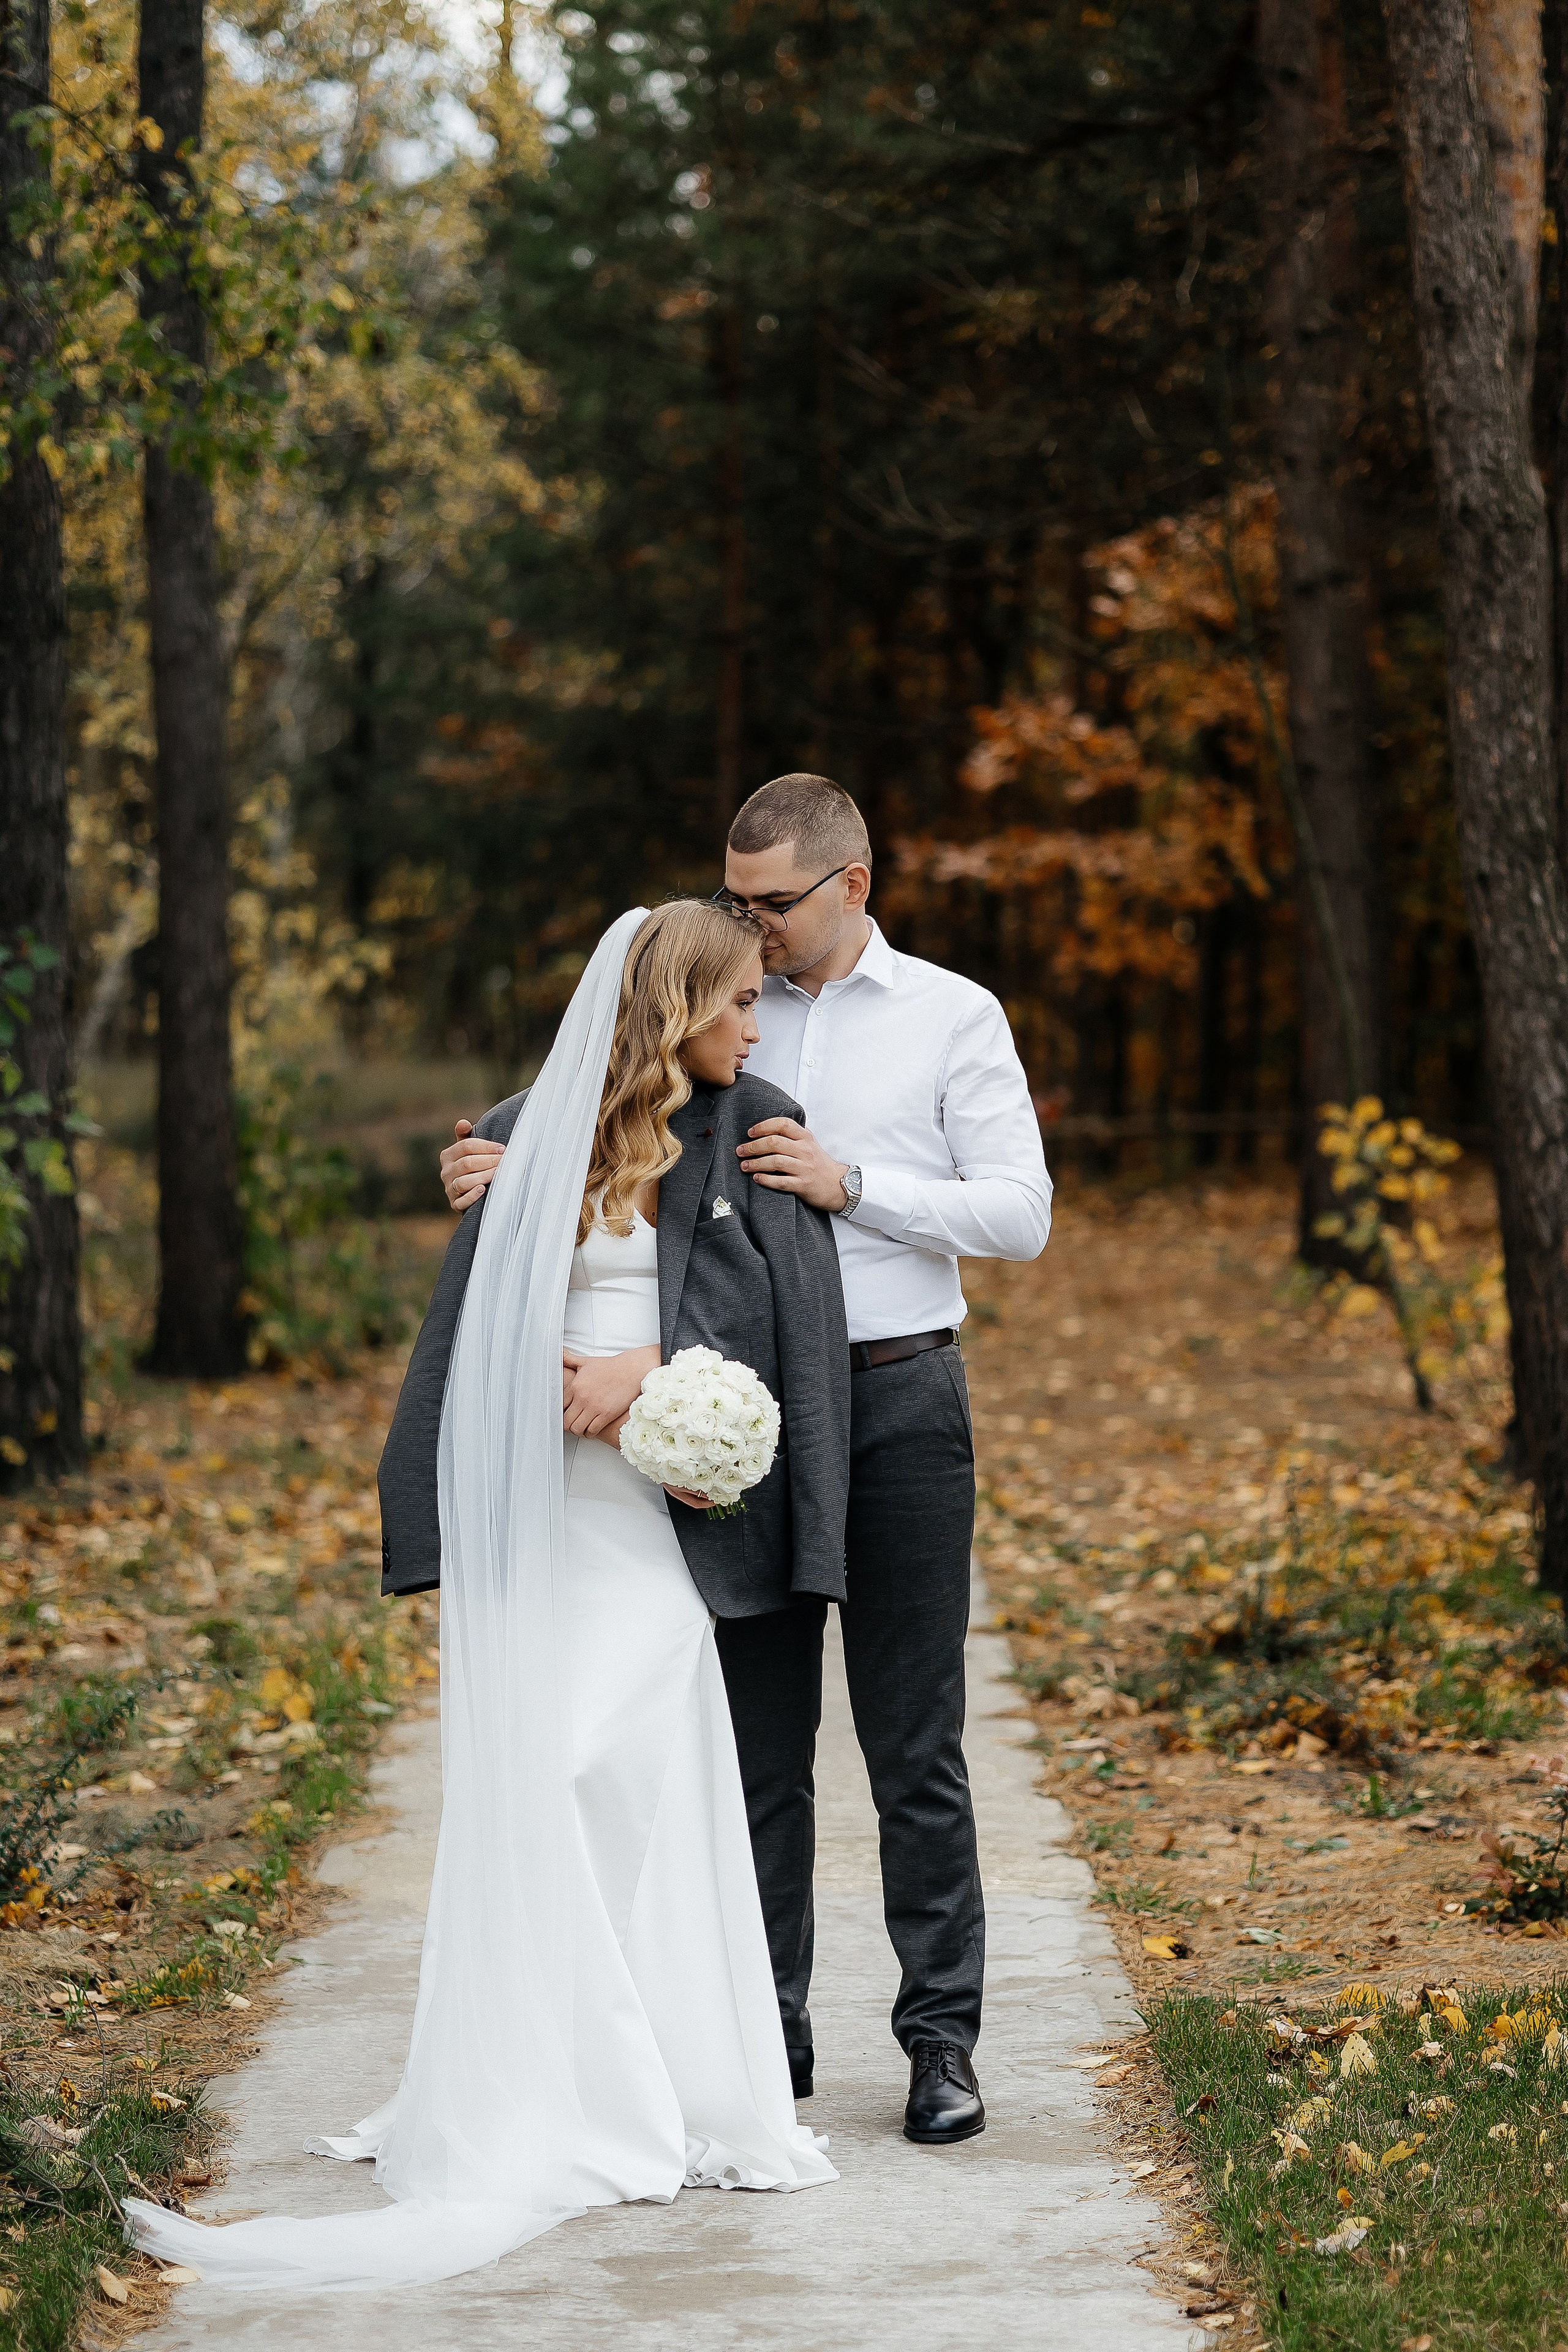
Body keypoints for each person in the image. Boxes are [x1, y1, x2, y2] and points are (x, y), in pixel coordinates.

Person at [127, 901, 843, 2292]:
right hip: (551, 1504)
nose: (760, 1024)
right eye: (744, 999)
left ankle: (679, 2076)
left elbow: (776, 1312)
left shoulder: (757, 1120)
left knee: (627, 1765)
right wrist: (542, 1391)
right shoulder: (533, 1122)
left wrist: (648, 1375)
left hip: (656, 1514)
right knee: (554, 1768)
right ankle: (558, 2076)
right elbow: (478, 1318)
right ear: (682, 1003)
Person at [440, 775, 1052, 2148]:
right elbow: (604, 1085)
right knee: (755, 1751)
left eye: (770, 903)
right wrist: (496, 1154)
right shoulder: (718, 1005)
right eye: (734, 901)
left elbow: (1020, 1214)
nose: (749, 929)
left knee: (914, 1746)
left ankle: (938, 2044)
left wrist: (855, 1189)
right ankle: (762, 2038)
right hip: (726, 1418)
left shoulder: (953, 1016)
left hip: (894, 1405)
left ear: (852, 884)